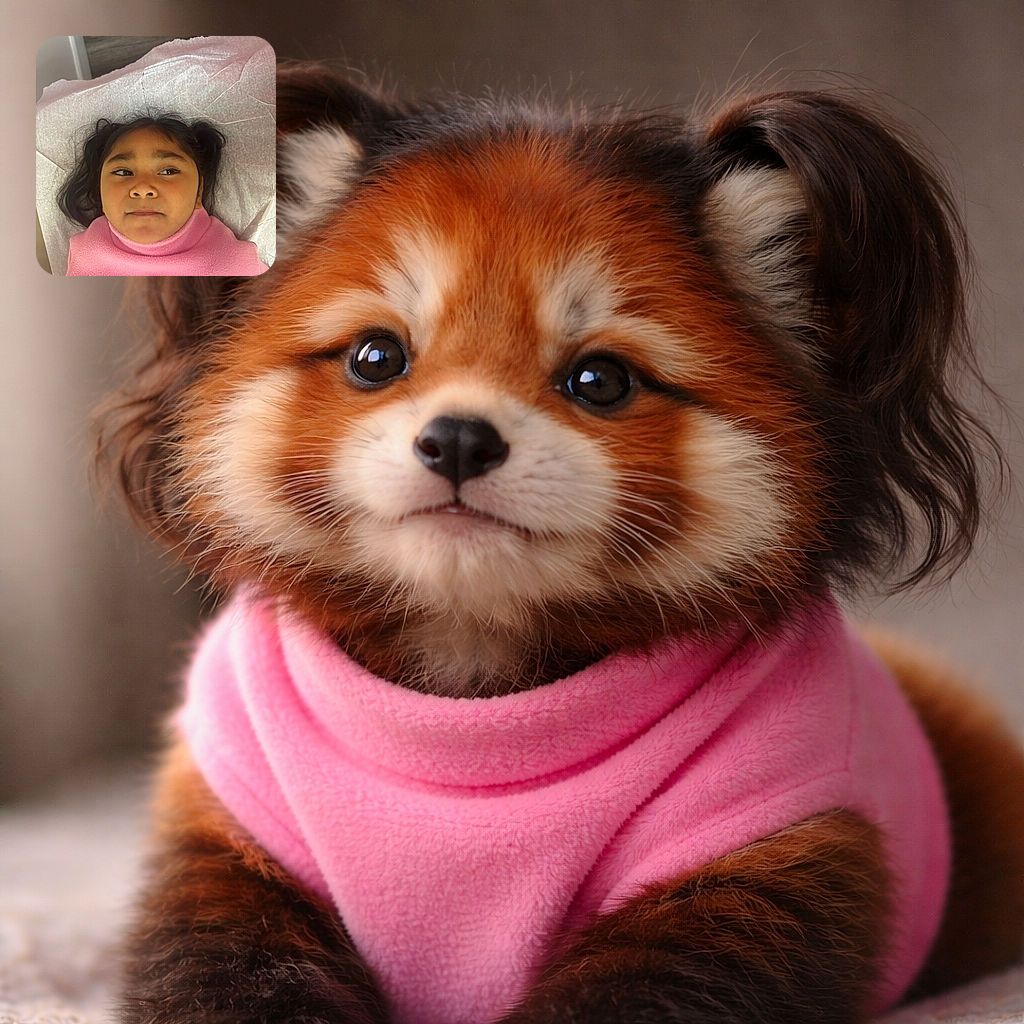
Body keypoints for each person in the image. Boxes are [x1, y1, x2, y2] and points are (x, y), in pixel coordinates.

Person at [59, 114, 268, 276]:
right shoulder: (83, 254)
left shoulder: (234, 264)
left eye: (168, 171)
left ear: (199, 192)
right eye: (123, 172)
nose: (142, 188)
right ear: (100, 192)